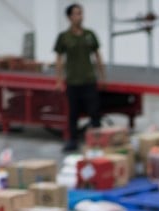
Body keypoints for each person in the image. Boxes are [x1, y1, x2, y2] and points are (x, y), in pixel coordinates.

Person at [54, 3, 105, 152]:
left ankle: (98, 140)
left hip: (89, 79)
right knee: (73, 114)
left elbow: (97, 56)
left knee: (94, 112)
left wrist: (102, 77)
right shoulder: (64, 37)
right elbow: (59, 59)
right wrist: (58, 80)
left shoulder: (89, 35)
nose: (79, 16)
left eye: (81, 13)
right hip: (73, 81)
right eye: (76, 14)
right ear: (69, 17)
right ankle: (72, 141)